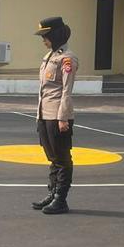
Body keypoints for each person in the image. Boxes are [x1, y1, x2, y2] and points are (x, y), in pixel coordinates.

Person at [31, 16, 78, 216]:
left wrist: (63, 118)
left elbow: (66, 90)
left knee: (62, 158)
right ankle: (52, 193)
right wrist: (39, 115)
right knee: (52, 157)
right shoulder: (49, 56)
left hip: (58, 115)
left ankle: (61, 199)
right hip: (45, 113)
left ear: (56, 35)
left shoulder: (67, 58)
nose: (43, 40)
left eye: (46, 36)